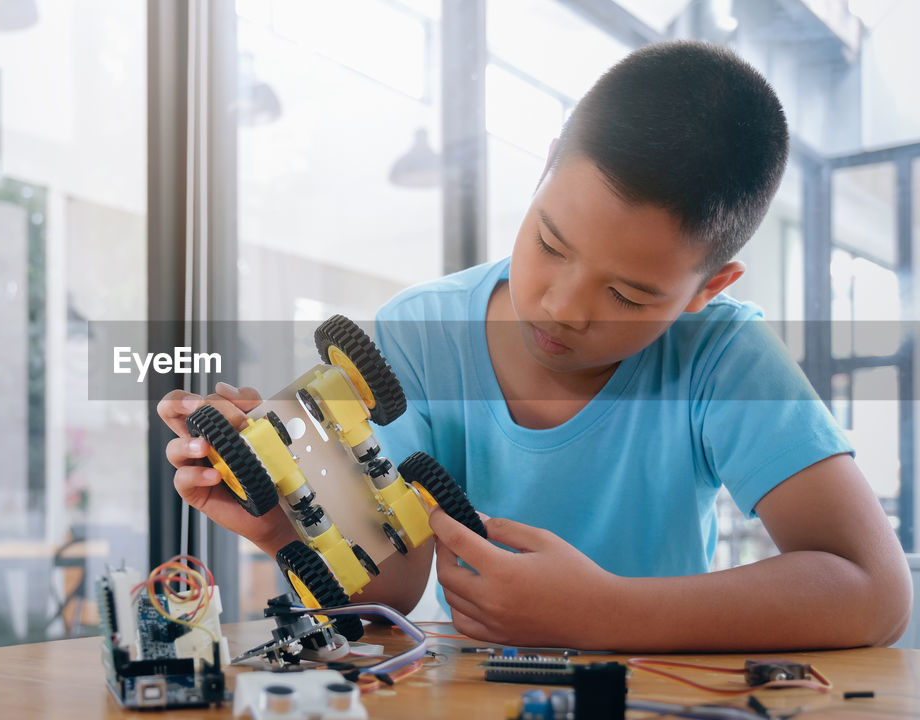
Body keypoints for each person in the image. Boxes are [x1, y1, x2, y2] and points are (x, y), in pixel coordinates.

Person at [157, 41, 911, 651]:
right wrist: (289, 519)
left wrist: (608, 613)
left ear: (708, 289)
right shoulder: (421, 334)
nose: (560, 306)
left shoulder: (720, 357)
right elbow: (392, 589)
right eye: (550, 241)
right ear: (546, 165)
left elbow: (875, 592)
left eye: (629, 295)